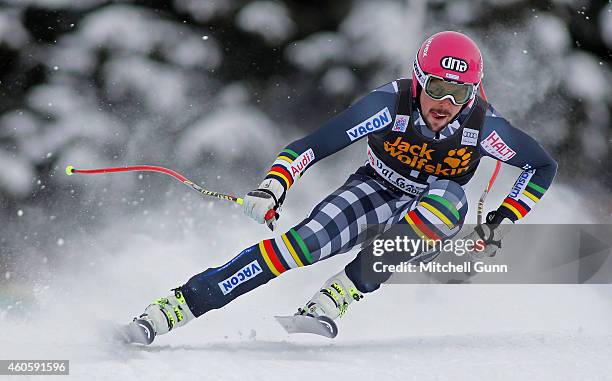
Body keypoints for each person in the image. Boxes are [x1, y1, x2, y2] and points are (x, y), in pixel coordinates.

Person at [126, 31, 557, 344]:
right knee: (302, 245)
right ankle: (180, 305)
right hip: (376, 190)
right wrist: (272, 187)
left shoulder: (484, 127)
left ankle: (340, 293)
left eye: (460, 93)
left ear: (473, 92)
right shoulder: (389, 105)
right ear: (418, 80)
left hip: (434, 221)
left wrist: (501, 220)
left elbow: (541, 167)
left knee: (446, 200)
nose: (445, 103)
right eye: (438, 87)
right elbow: (311, 146)